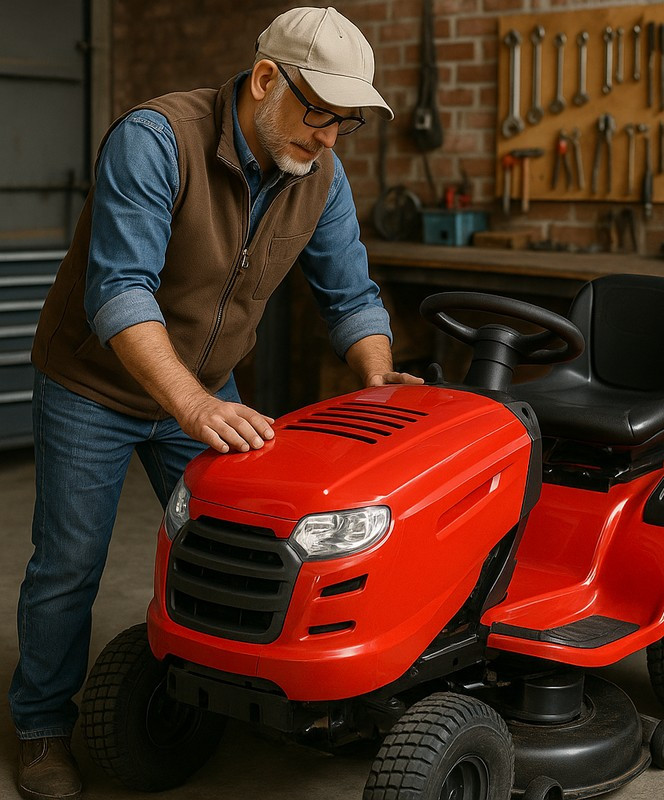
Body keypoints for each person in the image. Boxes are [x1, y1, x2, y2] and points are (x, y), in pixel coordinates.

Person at [9, 7, 422, 799]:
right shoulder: (155, 139)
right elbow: (120, 291)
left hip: (203, 387)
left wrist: (377, 374)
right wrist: (194, 408)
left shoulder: (317, 174)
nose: (331, 136)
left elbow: (350, 293)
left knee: (251, 542)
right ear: (266, 79)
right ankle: (40, 727)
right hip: (92, 383)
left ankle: (224, 688)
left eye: (346, 122)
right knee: (68, 563)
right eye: (320, 113)